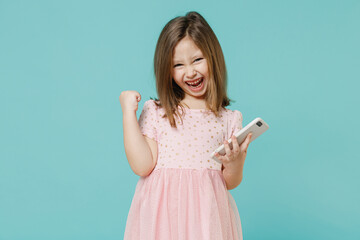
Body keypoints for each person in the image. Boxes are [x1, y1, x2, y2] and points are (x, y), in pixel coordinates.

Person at [119, 11, 252, 240]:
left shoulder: (229, 119)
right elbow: (142, 166)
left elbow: (229, 182)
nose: (190, 72)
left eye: (198, 60)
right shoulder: (157, 112)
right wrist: (128, 114)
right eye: (178, 65)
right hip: (162, 221)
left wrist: (236, 162)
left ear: (213, 57)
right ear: (167, 71)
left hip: (207, 221)